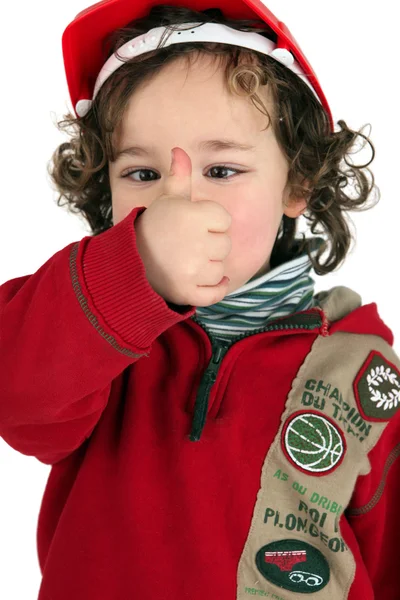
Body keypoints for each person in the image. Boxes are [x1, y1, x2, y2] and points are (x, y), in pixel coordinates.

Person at [0, 1, 399, 598]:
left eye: (221, 170)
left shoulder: (363, 372)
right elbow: (17, 400)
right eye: (142, 174)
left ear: (296, 183)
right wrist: (130, 277)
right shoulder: (85, 330)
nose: (177, 202)